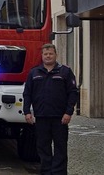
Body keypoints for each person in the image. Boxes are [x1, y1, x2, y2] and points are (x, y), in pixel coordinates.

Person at [23, 44, 79, 175]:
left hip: (60, 118)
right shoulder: (34, 72)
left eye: (50, 54)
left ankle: (59, 172)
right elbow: (27, 94)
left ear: (56, 55)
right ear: (42, 56)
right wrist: (27, 112)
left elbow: (73, 93)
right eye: (45, 54)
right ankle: (46, 171)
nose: (48, 56)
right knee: (43, 147)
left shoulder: (65, 72)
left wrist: (68, 112)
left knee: (60, 147)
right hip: (41, 117)